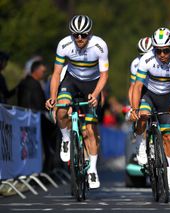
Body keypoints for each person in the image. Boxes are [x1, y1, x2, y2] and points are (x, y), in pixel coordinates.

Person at [45, 15, 109, 189]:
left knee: (90, 131)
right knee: (61, 110)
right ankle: (66, 139)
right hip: (71, 81)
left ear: (90, 33)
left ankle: (93, 170)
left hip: (92, 84)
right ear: (71, 35)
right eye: (76, 35)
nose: (80, 38)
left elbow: (104, 75)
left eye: (84, 35)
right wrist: (52, 96)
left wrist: (96, 94)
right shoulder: (64, 44)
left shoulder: (99, 45)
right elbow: (57, 74)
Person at [130, 27, 170, 190]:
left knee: (168, 137)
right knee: (143, 114)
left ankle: (169, 172)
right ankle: (142, 144)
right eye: (158, 51)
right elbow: (137, 87)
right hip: (149, 95)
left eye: (166, 51)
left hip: (168, 98)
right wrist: (135, 108)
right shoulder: (146, 60)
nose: (162, 55)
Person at [127, 37, 153, 164]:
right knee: (143, 115)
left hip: (157, 91)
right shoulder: (136, 64)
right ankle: (139, 142)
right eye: (142, 55)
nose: (144, 58)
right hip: (142, 91)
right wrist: (133, 107)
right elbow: (133, 87)